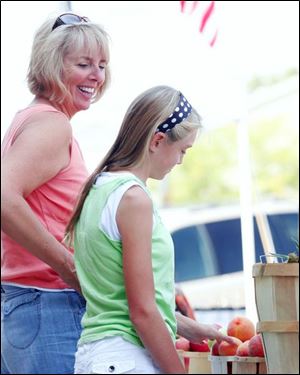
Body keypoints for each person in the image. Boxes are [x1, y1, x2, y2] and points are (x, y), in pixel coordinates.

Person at [65, 85, 235, 374]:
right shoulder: (133, 198)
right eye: (182, 150)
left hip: (99, 356)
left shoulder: (98, 189)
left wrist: (190, 328)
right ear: (157, 140)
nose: (181, 160)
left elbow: (120, 298)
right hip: (127, 358)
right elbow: (142, 312)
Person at [1, 12, 111, 374]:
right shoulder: (51, 124)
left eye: (102, 65)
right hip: (47, 305)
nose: (97, 75)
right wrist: (69, 267)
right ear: (51, 65)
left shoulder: (32, 119)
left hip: (30, 305)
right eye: (83, 64)